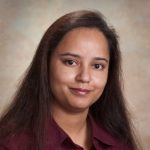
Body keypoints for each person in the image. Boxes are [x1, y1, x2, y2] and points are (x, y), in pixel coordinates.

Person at [0, 10, 140, 150]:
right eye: (70, 62)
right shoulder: (10, 144)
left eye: (97, 66)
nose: (84, 77)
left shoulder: (120, 143)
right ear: (45, 64)